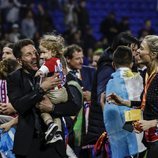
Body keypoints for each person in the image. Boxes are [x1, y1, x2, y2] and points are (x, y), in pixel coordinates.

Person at [7, 39, 82, 158]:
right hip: (29, 145)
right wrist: (41, 89)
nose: (34, 57)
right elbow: (19, 106)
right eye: (28, 54)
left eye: (35, 52)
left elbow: (73, 107)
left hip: (54, 145)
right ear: (19, 60)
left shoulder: (53, 72)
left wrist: (52, 108)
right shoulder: (14, 78)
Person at [107, 35, 158, 158]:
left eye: (141, 48)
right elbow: (146, 103)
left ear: (153, 54)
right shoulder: (146, 74)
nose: (138, 51)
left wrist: (153, 123)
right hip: (149, 139)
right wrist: (124, 102)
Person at [103, 46, 146, 158]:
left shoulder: (112, 83)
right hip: (144, 137)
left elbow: (111, 113)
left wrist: (103, 105)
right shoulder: (141, 79)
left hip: (125, 142)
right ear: (131, 64)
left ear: (113, 64)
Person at [35, 34, 68, 144]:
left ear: (52, 52)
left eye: (44, 52)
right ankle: (57, 133)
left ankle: (50, 124)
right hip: (62, 92)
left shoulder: (51, 61)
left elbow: (43, 70)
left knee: (40, 106)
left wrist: (38, 73)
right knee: (56, 114)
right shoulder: (60, 61)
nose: (41, 55)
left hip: (54, 92)